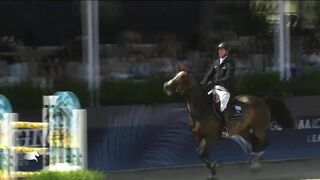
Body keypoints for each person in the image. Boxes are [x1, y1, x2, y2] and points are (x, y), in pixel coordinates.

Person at [201, 42, 235, 137]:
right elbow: (209, 74)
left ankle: (225, 127)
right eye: (219, 50)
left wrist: (215, 81)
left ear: (227, 51)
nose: (219, 51)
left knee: (222, 102)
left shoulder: (229, 62)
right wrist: (203, 82)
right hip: (215, 87)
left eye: (222, 50)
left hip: (226, 88)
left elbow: (228, 77)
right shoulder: (216, 62)